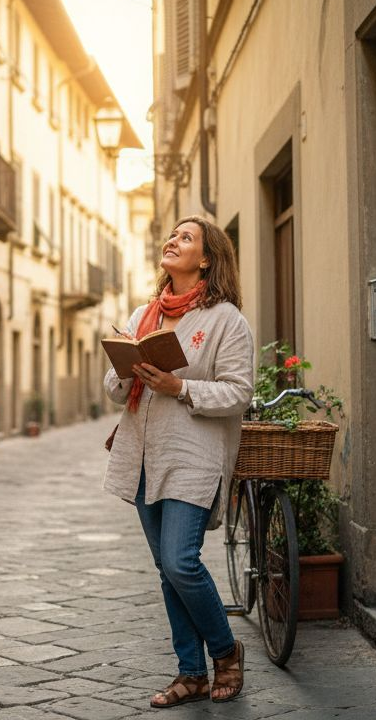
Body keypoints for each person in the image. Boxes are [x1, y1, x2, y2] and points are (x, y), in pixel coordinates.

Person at [102, 215, 254, 706]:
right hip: (143, 453)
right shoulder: (142, 315)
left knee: (182, 562)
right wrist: (127, 372)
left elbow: (239, 391)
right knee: (166, 570)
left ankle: (226, 653)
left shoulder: (226, 319)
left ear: (206, 258)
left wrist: (179, 387)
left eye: (185, 238)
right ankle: (191, 673)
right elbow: (112, 387)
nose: (173, 241)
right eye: (172, 235)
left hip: (194, 455)